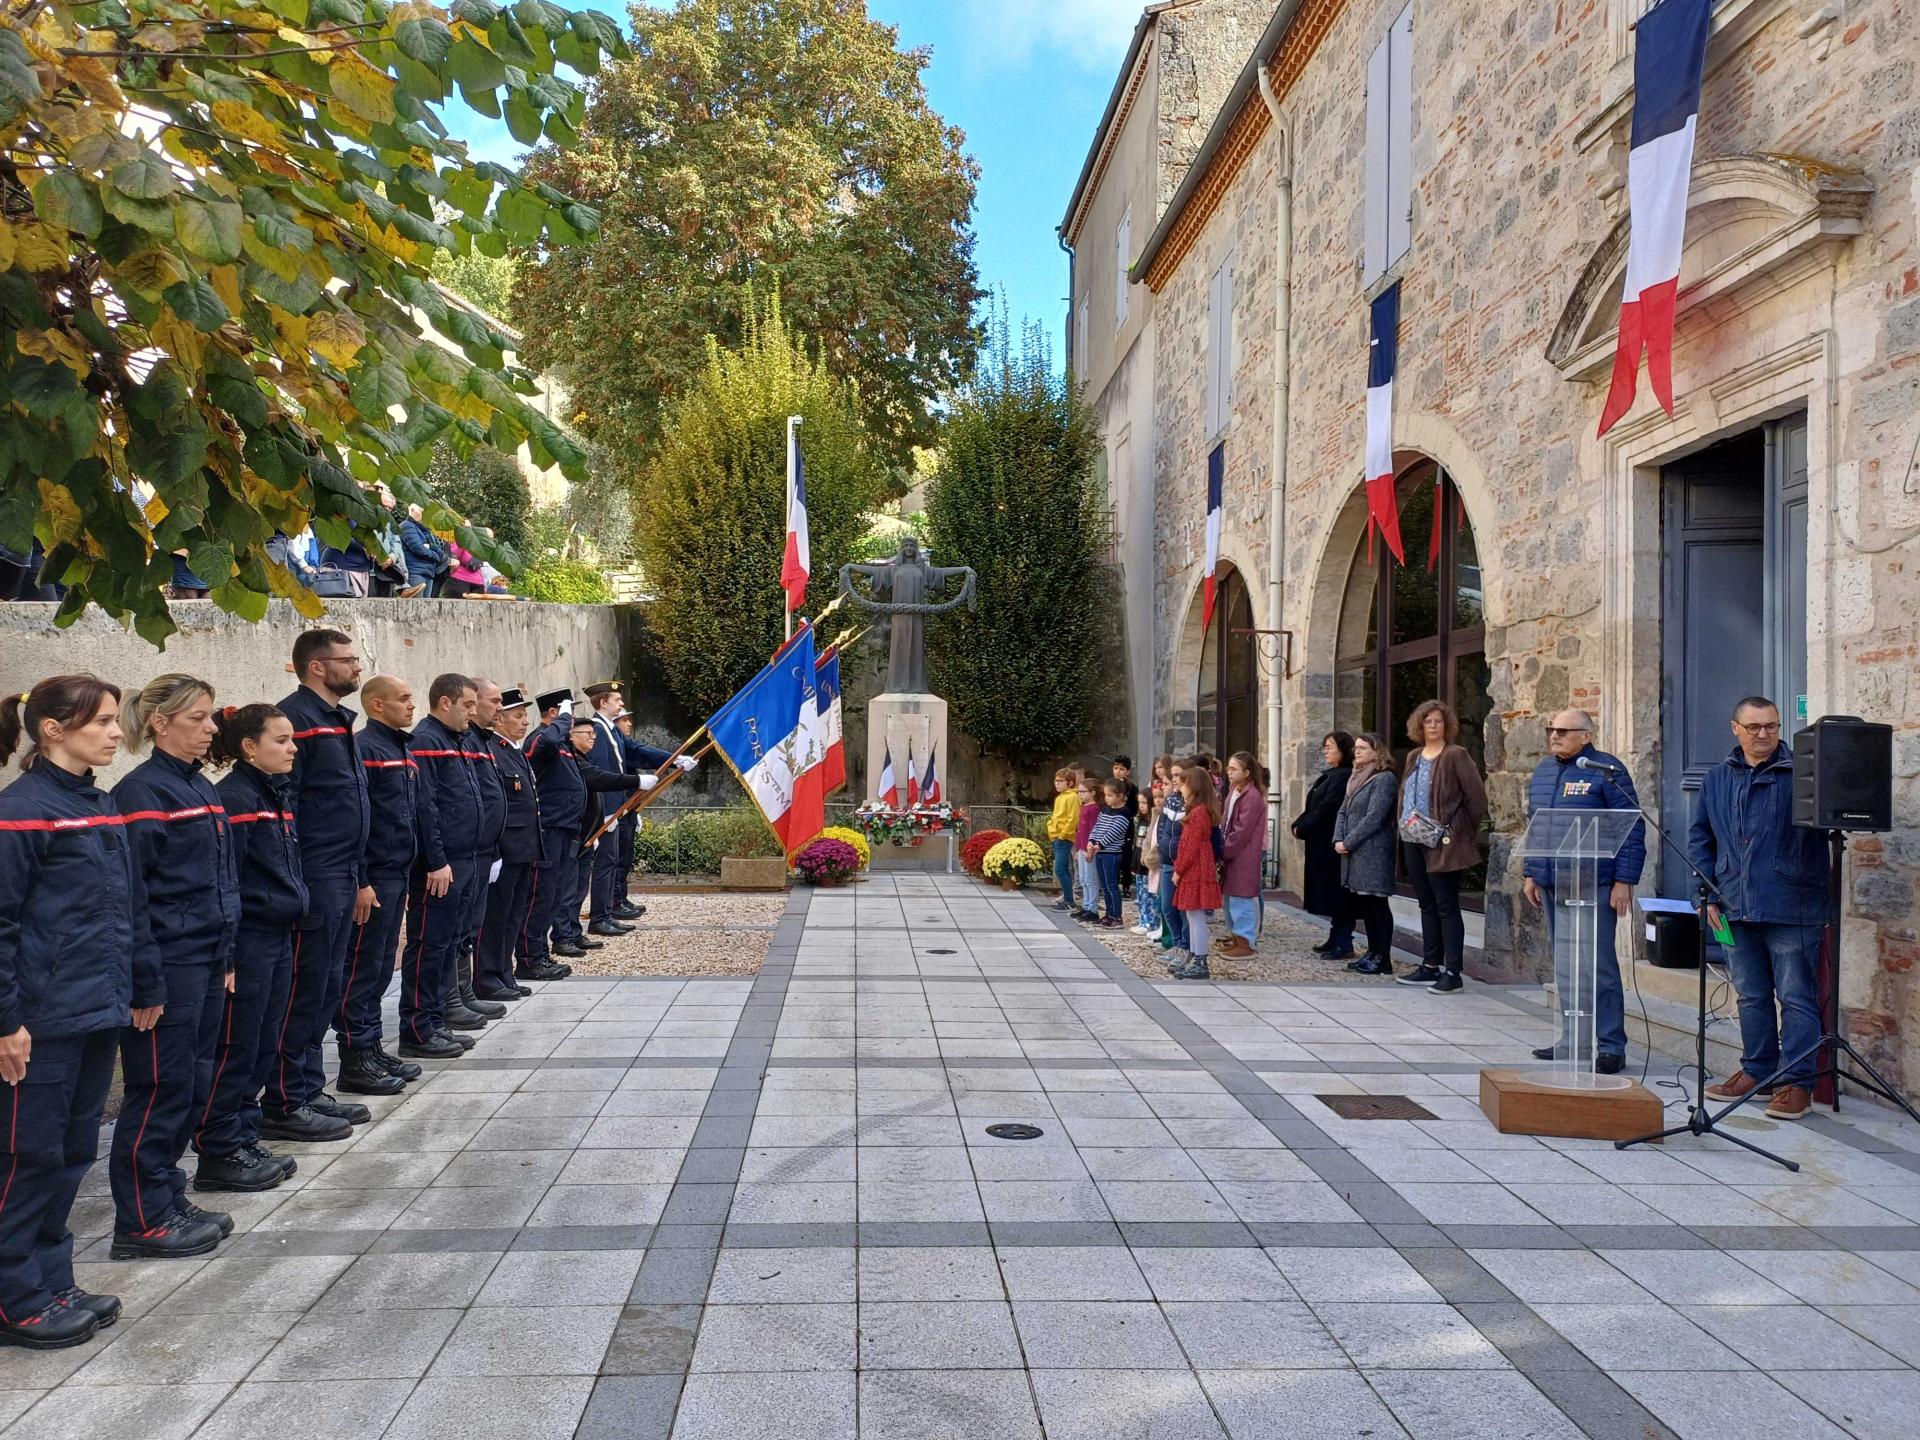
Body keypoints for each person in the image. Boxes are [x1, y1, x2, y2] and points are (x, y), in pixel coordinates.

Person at [0, 677, 140, 1348]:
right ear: (53, 729)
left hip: (94, 1010)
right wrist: (6, 1022)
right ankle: (13, 1297)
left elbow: (118, 910)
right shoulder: (21, 811)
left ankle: (52, 1281)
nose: (116, 732)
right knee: (27, 1158)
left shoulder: (100, 803)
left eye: (116, 720)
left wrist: (135, 989)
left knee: (72, 1152)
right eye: (104, 721)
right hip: (42, 1022)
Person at [108, 675, 238, 1260]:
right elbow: (132, 895)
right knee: (159, 1087)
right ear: (160, 723)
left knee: (192, 1080)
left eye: (212, 718)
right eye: (199, 718)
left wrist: (227, 954)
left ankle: (166, 1196)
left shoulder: (199, 788)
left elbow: (220, 879)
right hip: (169, 962)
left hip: (206, 956)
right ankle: (140, 1220)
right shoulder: (142, 793)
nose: (212, 729)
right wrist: (146, 981)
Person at [1691, 696, 1830, 1121]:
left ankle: (1796, 1082)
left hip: (1793, 905)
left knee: (1795, 996)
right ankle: (1757, 1070)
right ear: (1736, 728)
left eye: (1771, 726)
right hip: (1732, 904)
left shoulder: (1805, 774)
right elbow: (1701, 838)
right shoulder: (1717, 778)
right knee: (1750, 995)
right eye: (1753, 727)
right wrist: (1706, 894)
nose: (1764, 734)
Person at [197, 704, 308, 1191]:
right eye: (281, 740)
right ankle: (219, 1148)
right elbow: (227, 881)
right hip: (249, 939)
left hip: (277, 934)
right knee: (237, 1045)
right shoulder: (236, 799)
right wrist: (230, 955)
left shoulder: (271, 791)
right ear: (249, 747)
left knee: (263, 1041)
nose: (292, 748)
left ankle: (243, 1133)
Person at [272, 630, 372, 1141]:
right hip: (315, 873)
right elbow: (288, 803)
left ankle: (308, 1088)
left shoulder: (335, 718)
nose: (357, 667)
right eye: (348, 660)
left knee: (327, 985)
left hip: (342, 871)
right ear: (316, 667)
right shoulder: (297, 720)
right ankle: (287, 1099)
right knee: (306, 989)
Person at [1522, 710, 1645, 1076]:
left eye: (1563, 731)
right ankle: (1572, 1040)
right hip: (1552, 882)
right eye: (1551, 730)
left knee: (1599, 965)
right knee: (1565, 964)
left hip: (1596, 883)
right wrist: (1531, 872)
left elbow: (1631, 827)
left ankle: (1610, 1045)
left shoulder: (1607, 770)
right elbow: (1536, 824)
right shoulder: (1544, 771)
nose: (1554, 736)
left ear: (1585, 736)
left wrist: (1624, 881)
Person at [335, 675, 427, 1087]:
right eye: (403, 699)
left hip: (398, 870)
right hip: (376, 874)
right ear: (376, 705)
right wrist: (362, 878)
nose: (411, 706)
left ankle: (372, 1048)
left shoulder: (400, 747)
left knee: (379, 966)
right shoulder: (365, 748)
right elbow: (358, 820)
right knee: (362, 965)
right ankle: (356, 1055)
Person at [401, 674, 485, 1057]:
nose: (474, 711)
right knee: (430, 946)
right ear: (445, 702)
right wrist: (436, 860)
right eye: (468, 704)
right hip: (442, 866)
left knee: (450, 943)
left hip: (465, 859)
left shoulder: (457, 739)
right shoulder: (426, 740)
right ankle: (419, 1027)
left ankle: (435, 1020)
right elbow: (426, 807)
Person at [1396, 700, 1489, 994]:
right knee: (1426, 903)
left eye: (1438, 721)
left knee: (1446, 906)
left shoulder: (1456, 755)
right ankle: (1430, 965)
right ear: (1419, 726)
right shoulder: (1413, 756)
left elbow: (1477, 799)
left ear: (1447, 725)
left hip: (1443, 840)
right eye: (1428, 721)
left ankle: (1453, 971)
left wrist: (1461, 831)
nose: (1433, 726)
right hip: (1413, 839)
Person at [447, 679, 509, 1033]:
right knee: (452, 931)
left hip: (482, 851)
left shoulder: (482, 741)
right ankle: (450, 999)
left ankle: (464, 992)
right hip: (462, 854)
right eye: (494, 701)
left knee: (468, 927)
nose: (498, 708)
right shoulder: (464, 740)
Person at [474, 688, 541, 1002]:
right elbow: (495, 804)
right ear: (498, 718)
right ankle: (488, 976)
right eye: (518, 715)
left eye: (525, 715)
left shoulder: (511, 750)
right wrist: (496, 851)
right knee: (496, 918)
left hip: (523, 848)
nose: (525, 721)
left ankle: (504, 972)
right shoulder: (494, 749)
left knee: (513, 916)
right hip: (506, 848)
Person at [581, 682, 659, 937]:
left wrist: (673, 759)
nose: (622, 704)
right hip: (606, 809)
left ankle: (606, 914)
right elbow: (601, 772)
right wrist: (607, 809)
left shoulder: (610, 730)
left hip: (617, 808)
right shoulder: (598, 730)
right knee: (604, 865)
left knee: (611, 862)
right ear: (603, 702)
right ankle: (599, 918)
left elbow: (635, 751)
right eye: (617, 700)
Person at [519, 690, 589, 974]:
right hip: (548, 829)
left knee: (555, 894)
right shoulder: (543, 737)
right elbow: (542, 743)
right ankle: (529, 958)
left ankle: (540, 953)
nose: (571, 721)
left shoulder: (561, 743)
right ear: (553, 714)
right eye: (568, 715)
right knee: (541, 895)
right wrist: (562, 718)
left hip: (564, 828)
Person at [1333, 733, 1401, 977]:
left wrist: (1348, 841)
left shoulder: (1384, 780)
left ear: (1377, 751)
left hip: (1373, 851)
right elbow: (1344, 811)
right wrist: (1338, 839)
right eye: (1356, 748)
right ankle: (1372, 952)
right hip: (1354, 852)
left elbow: (1374, 816)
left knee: (1377, 904)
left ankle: (1382, 956)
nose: (1357, 751)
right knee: (1365, 904)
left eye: (1363, 748)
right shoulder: (1355, 779)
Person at [1294, 732, 1356, 959]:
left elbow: (1327, 808)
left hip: (1332, 845)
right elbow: (1313, 806)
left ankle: (1344, 940)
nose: (1325, 750)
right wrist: (1299, 823)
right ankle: (1335, 936)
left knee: (1339, 895)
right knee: (1330, 893)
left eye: (1330, 746)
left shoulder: (1342, 777)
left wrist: (1304, 827)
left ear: (1343, 749)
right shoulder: (1331, 776)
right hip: (1321, 844)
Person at [1170, 763, 1225, 979]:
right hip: (1196, 867)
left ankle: (1200, 960)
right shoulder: (1198, 811)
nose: (1180, 789)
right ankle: (1195, 956)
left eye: (1183, 785)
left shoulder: (1199, 813)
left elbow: (1190, 847)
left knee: (1195, 915)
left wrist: (1178, 870)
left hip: (1196, 869)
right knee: (1192, 915)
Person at [1218, 751, 1264, 959]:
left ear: (1247, 772)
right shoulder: (1234, 792)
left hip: (1243, 855)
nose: (1229, 771)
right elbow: (1226, 822)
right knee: (1231, 898)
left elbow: (1241, 831)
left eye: (1234, 768)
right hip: (1232, 854)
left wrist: (1223, 850)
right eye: (1228, 768)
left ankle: (1245, 942)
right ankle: (1236, 937)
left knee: (1241, 897)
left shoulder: (1252, 797)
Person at [1154, 757, 1191, 953]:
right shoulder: (1171, 799)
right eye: (1173, 775)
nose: (1174, 779)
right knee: (1167, 907)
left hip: (1182, 863)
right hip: (1167, 861)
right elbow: (1164, 829)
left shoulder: (1191, 801)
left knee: (1183, 909)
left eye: (1177, 775)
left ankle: (1185, 946)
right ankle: (1177, 943)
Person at [1088, 779, 1132, 929]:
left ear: (1120, 796)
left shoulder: (1124, 813)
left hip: (1111, 853)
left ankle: (1117, 916)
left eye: (1110, 795)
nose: (1107, 798)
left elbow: (1114, 831)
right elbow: (1098, 826)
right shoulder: (1106, 809)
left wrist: (1099, 844)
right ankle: (1108, 914)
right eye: (1106, 795)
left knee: (1112, 885)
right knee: (1105, 886)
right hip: (1100, 851)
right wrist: (1091, 840)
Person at [1046, 767, 1081, 913]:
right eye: (1056, 780)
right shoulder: (1060, 797)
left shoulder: (1072, 797)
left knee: (1060, 868)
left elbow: (1073, 818)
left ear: (1070, 783)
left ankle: (1069, 900)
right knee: (1063, 868)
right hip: (1056, 835)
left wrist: (1063, 834)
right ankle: (1067, 899)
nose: (1057, 783)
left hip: (1064, 837)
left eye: (1061, 781)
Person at [1070, 773, 1102, 923]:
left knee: (1090, 879)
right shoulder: (1084, 807)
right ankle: (1086, 905)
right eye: (1079, 792)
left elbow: (1093, 830)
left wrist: (1089, 849)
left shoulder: (1094, 809)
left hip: (1089, 849)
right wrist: (1078, 849)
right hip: (1081, 848)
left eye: (1083, 792)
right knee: (1083, 878)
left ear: (1093, 793)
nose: (1080, 795)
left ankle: (1092, 908)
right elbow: (1080, 831)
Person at [1131, 789, 1162, 936]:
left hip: (1148, 865)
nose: (1142, 806)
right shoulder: (1141, 820)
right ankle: (1143, 920)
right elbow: (1138, 845)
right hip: (1139, 863)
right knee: (1141, 896)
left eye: (1145, 802)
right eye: (1140, 803)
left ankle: (1150, 922)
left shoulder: (1153, 821)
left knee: (1150, 896)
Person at [400, 506, 444, 595]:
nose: (423, 512)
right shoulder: (407, 525)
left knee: (426, 606)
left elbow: (437, 548)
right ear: (412, 510)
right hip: (415, 572)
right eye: (420, 510)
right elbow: (418, 548)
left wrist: (430, 547)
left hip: (428, 573)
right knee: (415, 606)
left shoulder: (424, 529)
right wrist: (435, 556)